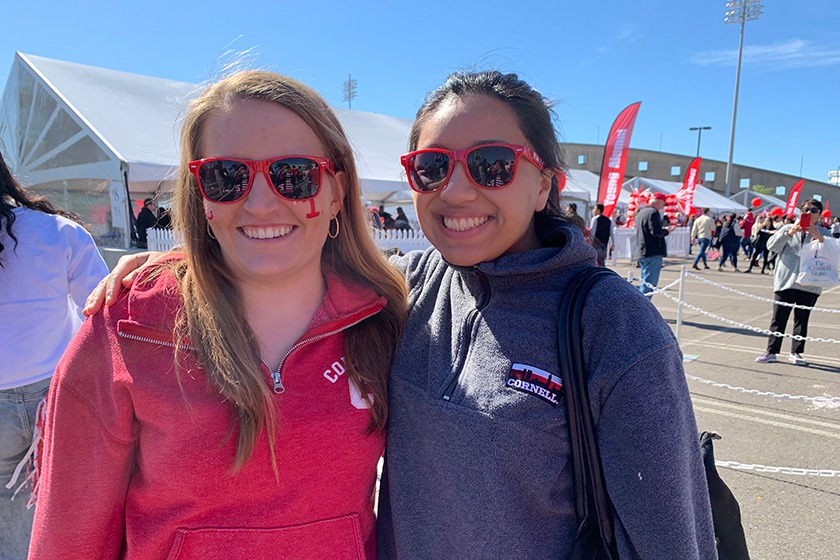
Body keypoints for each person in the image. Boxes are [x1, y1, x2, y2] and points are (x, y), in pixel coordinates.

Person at [87, 71, 717, 559]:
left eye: (491, 165)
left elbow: (672, 537)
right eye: (432, 167)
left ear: (546, 182)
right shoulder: (401, 291)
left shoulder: (612, 326)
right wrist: (169, 271)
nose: (457, 191)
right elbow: (280, 254)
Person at [30, 71, 408, 559]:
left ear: (336, 191)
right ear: (200, 194)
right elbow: (68, 536)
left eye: (294, 175)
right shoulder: (125, 327)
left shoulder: (387, 319)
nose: (260, 203)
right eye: (226, 177)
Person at [0, 150, 108, 558]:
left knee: (8, 522)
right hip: (58, 395)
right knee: (67, 500)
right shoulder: (58, 231)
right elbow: (100, 312)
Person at [755, 198, 830, 366]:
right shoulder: (788, 228)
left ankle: (796, 352)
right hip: (786, 280)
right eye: (805, 210)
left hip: (810, 282)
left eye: (813, 211)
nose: (808, 213)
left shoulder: (825, 233)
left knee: (802, 319)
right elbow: (771, 246)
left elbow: (834, 252)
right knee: (779, 317)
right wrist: (789, 233)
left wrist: (820, 238)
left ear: (819, 215)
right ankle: (771, 351)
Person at [634, 192, 673, 297]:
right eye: (663, 204)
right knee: (649, 285)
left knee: (645, 282)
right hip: (653, 251)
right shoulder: (653, 213)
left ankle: (641, 307)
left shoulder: (642, 212)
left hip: (642, 250)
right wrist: (667, 231)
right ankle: (642, 309)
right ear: (660, 202)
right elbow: (655, 232)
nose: (663, 207)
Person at [588, 202, 611, 267]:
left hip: (596, 242)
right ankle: (603, 272)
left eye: (594, 209)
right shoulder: (608, 220)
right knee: (601, 260)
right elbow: (611, 232)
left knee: (594, 260)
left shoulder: (595, 218)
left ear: (598, 210)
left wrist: (590, 243)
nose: (593, 210)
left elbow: (592, 231)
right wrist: (612, 243)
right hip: (604, 242)